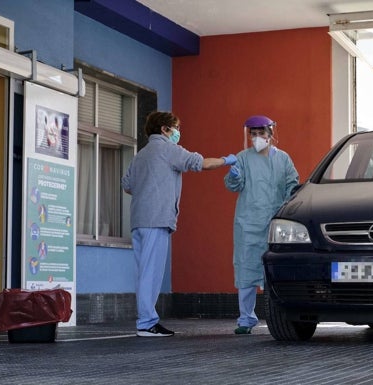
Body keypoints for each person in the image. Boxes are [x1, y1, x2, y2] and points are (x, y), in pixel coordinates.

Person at [122, 111, 237, 337]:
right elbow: (200, 163)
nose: (178, 133)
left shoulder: (140, 155)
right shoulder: (168, 149)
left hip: (138, 220)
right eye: (175, 128)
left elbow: (127, 186)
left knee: (143, 272)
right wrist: (227, 160)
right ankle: (146, 323)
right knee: (151, 274)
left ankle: (146, 321)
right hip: (157, 219)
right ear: (164, 129)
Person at [224, 115, 299, 334]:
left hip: (274, 222)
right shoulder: (243, 158)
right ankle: (246, 319)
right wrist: (234, 175)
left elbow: (292, 184)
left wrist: (287, 210)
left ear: (270, 134)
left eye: (261, 134)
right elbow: (233, 186)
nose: (257, 138)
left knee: (273, 271)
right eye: (253, 134)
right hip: (248, 223)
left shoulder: (283, 159)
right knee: (246, 269)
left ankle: (276, 317)